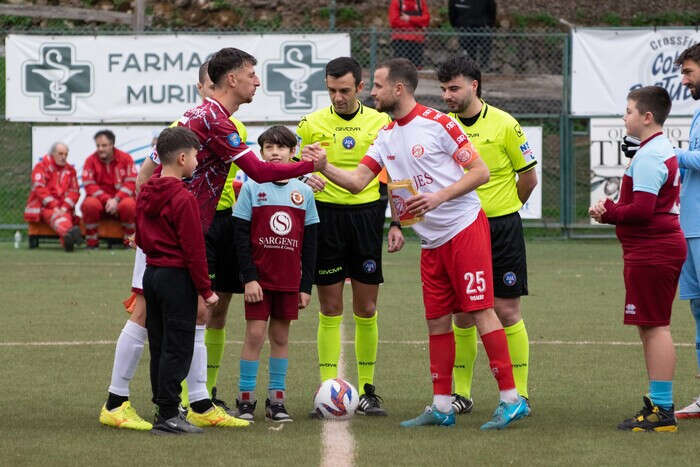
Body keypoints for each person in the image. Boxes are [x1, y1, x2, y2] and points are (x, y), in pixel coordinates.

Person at [99, 49, 324, 430]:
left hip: (181, 229)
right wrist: (309, 165)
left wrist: (147, 215)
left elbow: (148, 169)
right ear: (232, 79)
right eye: (252, 74)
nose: (257, 81)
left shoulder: (202, 116)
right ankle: (116, 401)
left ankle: (201, 403)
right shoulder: (215, 120)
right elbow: (258, 171)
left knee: (201, 313)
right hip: (171, 235)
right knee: (144, 313)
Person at [307, 57, 529, 429]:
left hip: (464, 228)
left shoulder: (439, 124)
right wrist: (324, 166)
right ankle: (441, 406)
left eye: (376, 86)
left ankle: (511, 399)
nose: (371, 92)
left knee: (480, 311)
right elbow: (359, 181)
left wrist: (438, 198)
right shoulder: (386, 135)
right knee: (436, 320)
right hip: (431, 241)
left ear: (398, 88)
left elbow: (480, 171)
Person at [295, 56, 400, 417]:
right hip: (325, 218)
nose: (337, 97)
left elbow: (393, 176)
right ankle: (328, 388)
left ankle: (368, 390)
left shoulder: (381, 122)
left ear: (359, 87)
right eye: (331, 91)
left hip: (367, 218)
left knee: (366, 307)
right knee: (330, 307)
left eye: (344, 90)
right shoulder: (310, 124)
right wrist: (302, 176)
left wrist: (397, 223)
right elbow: (293, 169)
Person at [437, 56, 537, 414]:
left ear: (474, 85)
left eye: (454, 88)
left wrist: (506, 208)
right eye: (444, 89)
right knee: (463, 313)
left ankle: (520, 394)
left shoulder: (505, 124)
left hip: (500, 229)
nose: (447, 95)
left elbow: (528, 178)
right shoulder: (441, 127)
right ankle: (461, 394)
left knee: (507, 309)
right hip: (460, 230)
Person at [589, 86, 685, 432]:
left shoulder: (649, 155)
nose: (624, 117)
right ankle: (660, 405)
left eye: (628, 111)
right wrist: (613, 212)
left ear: (647, 117)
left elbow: (643, 211)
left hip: (654, 249)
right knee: (651, 325)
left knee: (656, 325)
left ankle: (664, 410)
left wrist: (608, 211)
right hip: (651, 248)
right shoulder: (655, 149)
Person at [136, 126, 223, 434]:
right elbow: (194, 250)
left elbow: (141, 237)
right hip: (176, 278)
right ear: (183, 158)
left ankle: (163, 409)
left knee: (159, 345)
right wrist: (206, 290)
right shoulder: (184, 198)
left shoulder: (146, 190)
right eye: (197, 156)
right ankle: (170, 414)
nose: (199, 161)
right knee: (178, 346)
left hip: (152, 274)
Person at [232, 126, 319, 422]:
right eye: (269, 147)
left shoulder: (304, 192)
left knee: (281, 337)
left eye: (282, 147)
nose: (275, 152)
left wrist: (305, 285)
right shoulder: (251, 188)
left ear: (293, 153)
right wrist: (249, 278)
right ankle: (245, 399)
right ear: (260, 154)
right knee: (255, 335)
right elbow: (240, 236)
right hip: (259, 279)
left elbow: (311, 244)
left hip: (288, 280)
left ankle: (276, 400)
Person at [671, 43, 700, 419]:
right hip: (691, 227)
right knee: (697, 312)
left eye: (690, 71)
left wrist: (665, 151)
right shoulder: (697, 111)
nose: (684, 79)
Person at [81, 130, 137, 248]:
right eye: (98, 146)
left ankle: (129, 242)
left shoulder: (126, 158)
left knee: (129, 205)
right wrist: (107, 200)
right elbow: (89, 184)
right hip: (101, 203)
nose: (100, 149)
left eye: (104, 145)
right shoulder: (90, 161)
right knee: (89, 204)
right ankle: (92, 243)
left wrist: (116, 199)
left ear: (112, 145)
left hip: (121, 201)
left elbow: (131, 182)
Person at [24, 142, 82, 252]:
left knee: (64, 216)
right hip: (44, 206)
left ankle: (68, 238)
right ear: (52, 154)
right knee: (56, 216)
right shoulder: (41, 167)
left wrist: (64, 207)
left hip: (63, 208)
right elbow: (40, 189)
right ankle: (69, 235)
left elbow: (74, 191)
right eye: (60, 154)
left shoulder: (70, 170)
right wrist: (55, 206)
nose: (63, 157)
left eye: (66, 154)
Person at [448, 0, 497, 69]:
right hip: (464, 28)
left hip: (482, 28)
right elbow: (452, 13)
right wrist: (457, 25)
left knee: (485, 49)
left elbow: (492, 10)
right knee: (468, 51)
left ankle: (484, 69)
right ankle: (469, 70)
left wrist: (488, 24)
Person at [388, 0, 430, 68]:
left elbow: (426, 20)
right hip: (400, 40)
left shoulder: (421, 2)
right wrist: (417, 23)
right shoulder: (396, 2)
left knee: (416, 68)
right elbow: (394, 22)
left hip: (417, 40)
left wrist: (409, 18)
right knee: (400, 67)